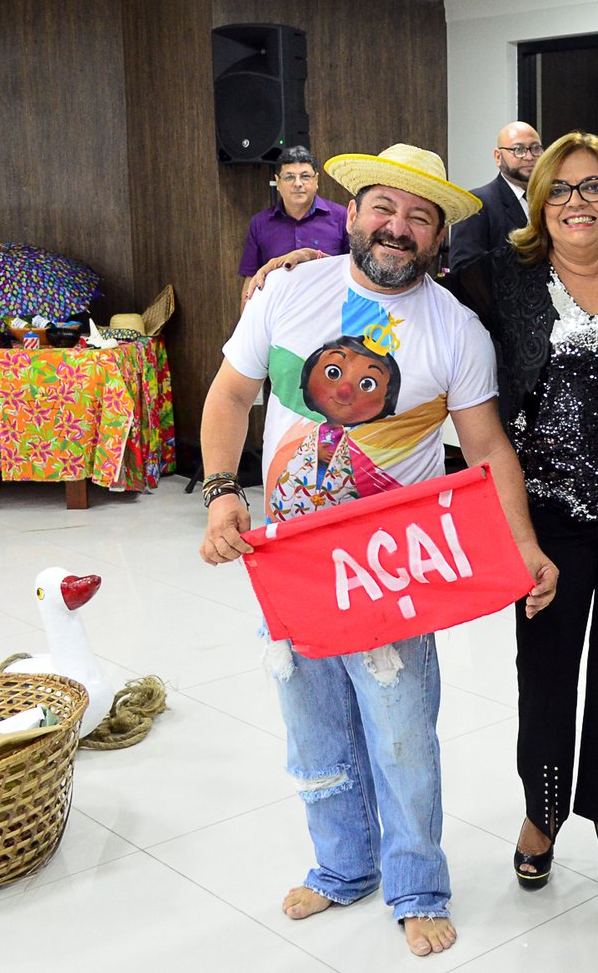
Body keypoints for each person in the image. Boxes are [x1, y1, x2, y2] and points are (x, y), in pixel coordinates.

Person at [199, 143, 558, 957]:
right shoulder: (289, 292)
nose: (398, 228)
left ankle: (417, 885)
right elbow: (231, 394)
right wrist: (222, 492)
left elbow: (488, 448)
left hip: (390, 569)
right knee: (313, 728)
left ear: (438, 238)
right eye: (384, 209)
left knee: (400, 734)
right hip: (290, 564)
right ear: (354, 214)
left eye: (419, 218)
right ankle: (342, 866)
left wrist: (524, 546)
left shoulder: (456, 330)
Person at [442, 131, 598, 901]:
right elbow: (406, 292)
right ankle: (543, 811)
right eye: (558, 188)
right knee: (545, 667)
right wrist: (306, 268)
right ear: (538, 201)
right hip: (541, 514)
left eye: (592, 187)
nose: (575, 202)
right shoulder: (498, 276)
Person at [236, 145, 348, 285]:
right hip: (279, 299)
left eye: (305, 176)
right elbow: (251, 280)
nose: (298, 183)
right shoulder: (260, 223)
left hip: (330, 297)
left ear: (316, 181)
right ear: (278, 182)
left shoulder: (342, 217)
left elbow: (355, 270)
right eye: (289, 177)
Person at [449, 121, 542, 274]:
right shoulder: (475, 204)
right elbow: (464, 272)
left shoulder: (551, 200)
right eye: (518, 149)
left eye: (535, 148)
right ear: (498, 157)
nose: (529, 156)